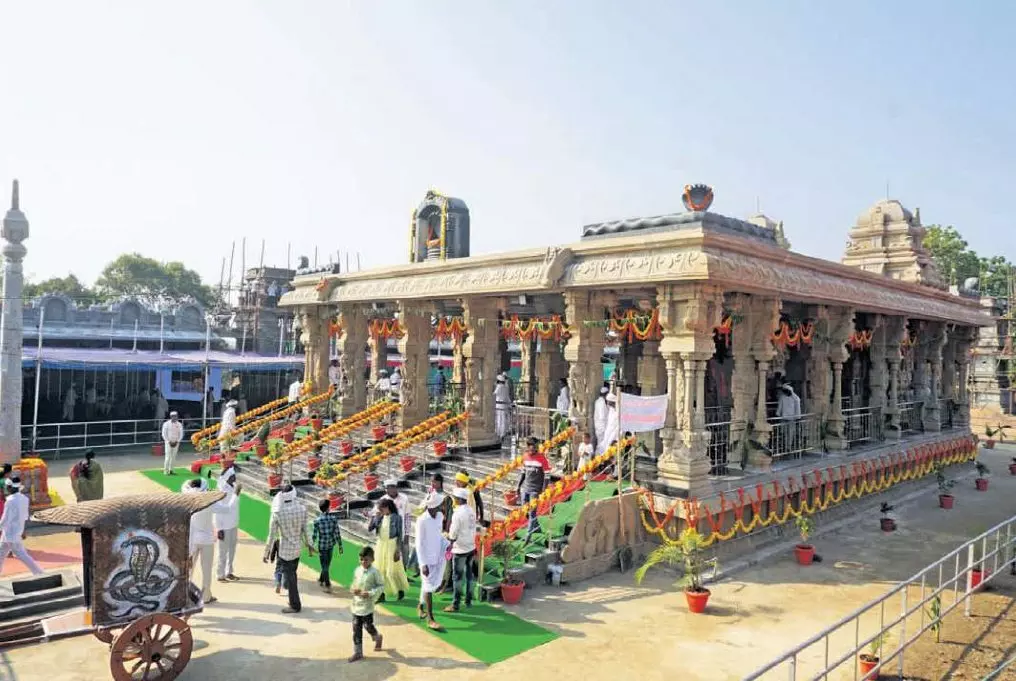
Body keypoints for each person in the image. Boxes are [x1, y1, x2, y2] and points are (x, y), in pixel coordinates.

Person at [264, 484, 313, 614]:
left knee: (291, 579)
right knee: (292, 575)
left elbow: (271, 535)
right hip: (297, 549)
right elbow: (306, 529)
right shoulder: (302, 509)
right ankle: (292, 598)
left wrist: (266, 552)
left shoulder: (277, 512)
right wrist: (310, 545)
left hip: (285, 551)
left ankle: (295, 605)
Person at [182, 478, 221, 604]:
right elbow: (225, 509)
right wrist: (233, 496)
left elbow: (184, 488)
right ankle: (206, 596)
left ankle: (184, 595)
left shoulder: (187, 500)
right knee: (207, 570)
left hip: (192, 539)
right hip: (207, 540)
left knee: (189, 569)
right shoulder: (209, 501)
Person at [415, 492, 447, 631]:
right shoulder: (421, 520)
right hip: (426, 559)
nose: (443, 506)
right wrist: (422, 564)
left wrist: (447, 543)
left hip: (438, 556)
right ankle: (430, 619)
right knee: (428, 586)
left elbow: (438, 536)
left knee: (431, 585)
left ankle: (420, 606)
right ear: (435, 505)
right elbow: (418, 543)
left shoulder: (440, 516)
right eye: (441, 504)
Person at [0, 478, 44, 576]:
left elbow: (5, 519)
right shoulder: (24, 499)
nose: (6, 488)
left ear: (10, 487)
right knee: (1, 553)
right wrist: (23, 530)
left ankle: (39, 572)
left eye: (7, 487)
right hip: (15, 531)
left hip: (10, 533)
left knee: (21, 554)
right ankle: (39, 572)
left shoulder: (10, 501)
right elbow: (25, 516)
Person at [348, 545, 385, 663]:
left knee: (367, 626)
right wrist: (353, 590)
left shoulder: (375, 573)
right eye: (361, 559)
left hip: (367, 606)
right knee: (356, 628)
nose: (363, 562)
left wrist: (370, 593)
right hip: (356, 604)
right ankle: (358, 652)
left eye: (366, 560)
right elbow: (353, 584)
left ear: (372, 559)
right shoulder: (357, 570)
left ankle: (377, 637)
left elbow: (381, 586)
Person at [368, 497, 408, 601]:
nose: (380, 511)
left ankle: (400, 590)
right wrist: (374, 517)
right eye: (379, 509)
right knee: (380, 570)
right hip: (380, 545)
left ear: (387, 507)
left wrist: (398, 549)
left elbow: (400, 534)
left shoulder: (397, 518)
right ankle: (381, 595)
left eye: (381, 509)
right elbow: (370, 528)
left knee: (392, 570)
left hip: (392, 546)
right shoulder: (379, 517)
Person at [444, 487, 477, 612]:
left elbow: (453, 534)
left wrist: (448, 538)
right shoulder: (471, 510)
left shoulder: (458, 513)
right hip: (471, 547)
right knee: (469, 575)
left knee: (457, 577)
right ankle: (468, 600)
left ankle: (455, 604)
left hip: (460, 549)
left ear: (457, 499)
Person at [517, 437, 551, 540]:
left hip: (535, 490)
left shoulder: (542, 458)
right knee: (525, 511)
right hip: (525, 488)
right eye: (530, 448)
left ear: (536, 448)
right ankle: (536, 527)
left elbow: (547, 476)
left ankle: (528, 535)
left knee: (532, 512)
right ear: (527, 447)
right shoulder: (525, 457)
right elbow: (523, 472)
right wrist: (518, 486)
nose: (532, 451)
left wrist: (544, 490)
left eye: (534, 448)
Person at [214, 462, 243, 582]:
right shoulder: (221, 491)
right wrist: (219, 529)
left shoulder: (234, 487)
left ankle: (229, 572)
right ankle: (220, 574)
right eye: (232, 476)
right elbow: (217, 512)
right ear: (227, 478)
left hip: (233, 523)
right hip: (224, 527)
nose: (234, 478)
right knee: (222, 552)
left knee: (232, 550)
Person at [312, 498, 343, 592]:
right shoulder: (333, 519)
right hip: (330, 545)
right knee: (327, 565)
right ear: (328, 508)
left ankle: (324, 581)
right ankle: (327, 583)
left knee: (324, 565)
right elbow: (337, 533)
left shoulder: (317, 521)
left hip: (322, 546)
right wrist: (340, 545)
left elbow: (314, 535)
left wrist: (311, 546)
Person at [494, 373, 512, 441]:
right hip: (504, 406)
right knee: (503, 420)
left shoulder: (499, 387)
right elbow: (507, 397)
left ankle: (499, 434)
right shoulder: (506, 387)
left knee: (499, 420)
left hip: (499, 406)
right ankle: (503, 434)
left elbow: (494, 394)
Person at [592, 385, 609, 453]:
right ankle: (598, 457)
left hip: (599, 426)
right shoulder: (602, 403)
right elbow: (602, 417)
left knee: (600, 443)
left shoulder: (597, 401)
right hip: (602, 427)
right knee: (601, 444)